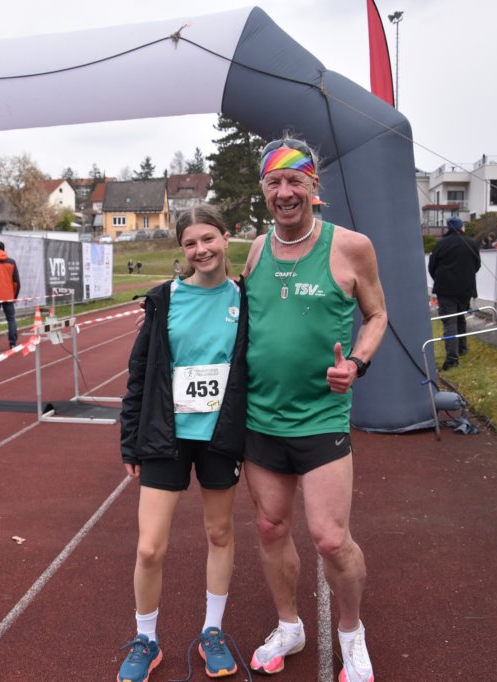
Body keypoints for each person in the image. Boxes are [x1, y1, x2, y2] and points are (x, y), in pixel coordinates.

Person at [241, 137, 387, 681]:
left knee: (329, 537)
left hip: (322, 416)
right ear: (264, 189)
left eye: (294, 181)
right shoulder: (256, 250)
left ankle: (351, 632)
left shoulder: (351, 247)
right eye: (274, 182)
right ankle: (290, 625)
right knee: (269, 527)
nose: (285, 192)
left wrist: (358, 363)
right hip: (261, 418)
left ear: (313, 186)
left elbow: (377, 314)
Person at [118, 205, 248, 682]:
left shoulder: (247, 299)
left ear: (226, 237)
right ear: (182, 249)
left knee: (220, 534)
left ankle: (212, 631)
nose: (201, 250)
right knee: (150, 548)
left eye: (208, 239)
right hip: (165, 436)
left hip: (220, 437)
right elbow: (139, 374)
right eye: (191, 243)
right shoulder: (163, 300)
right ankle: (145, 639)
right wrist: (129, 442)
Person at [429, 216, 481, 370]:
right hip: (466, 288)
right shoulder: (471, 242)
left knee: (449, 321)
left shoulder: (442, 244)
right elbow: (477, 264)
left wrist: (439, 278)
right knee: (460, 317)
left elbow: (432, 266)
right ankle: (462, 347)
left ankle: (452, 359)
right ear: (461, 227)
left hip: (445, 288)